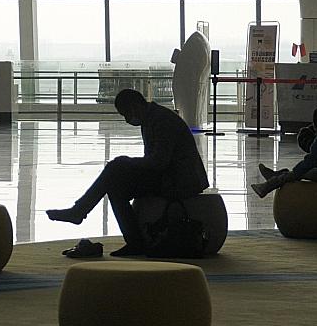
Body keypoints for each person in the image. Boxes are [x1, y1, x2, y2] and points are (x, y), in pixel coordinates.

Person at [45, 88, 209, 257]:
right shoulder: (152, 118)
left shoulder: (162, 121)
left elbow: (159, 161)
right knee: (115, 183)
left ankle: (81, 212)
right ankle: (129, 239)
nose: (127, 119)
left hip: (180, 180)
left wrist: (127, 162)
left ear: (135, 107)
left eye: (126, 114)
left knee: (115, 170)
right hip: (171, 175)